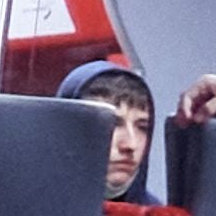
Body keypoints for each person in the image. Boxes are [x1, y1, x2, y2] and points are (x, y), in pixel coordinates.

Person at [60, 58, 157, 201]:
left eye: (142, 127)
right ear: (70, 131)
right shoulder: (27, 212)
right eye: (112, 123)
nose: (130, 144)